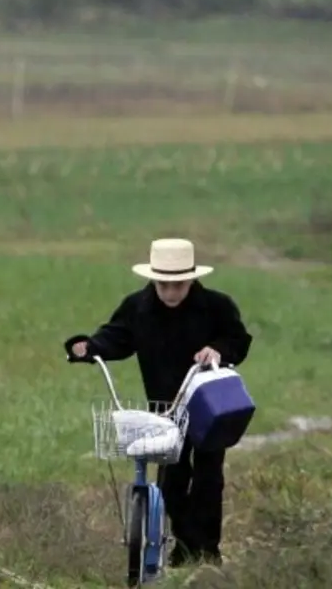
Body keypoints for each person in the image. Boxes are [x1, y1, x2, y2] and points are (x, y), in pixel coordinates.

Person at [63, 238, 253, 567]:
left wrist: (218, 349)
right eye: (162, 284)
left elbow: (238, 340)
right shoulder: (138, 307)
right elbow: (117, 337)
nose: (169, 292)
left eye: (177, 284)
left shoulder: (217, 306)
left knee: (209, 478)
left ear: (191, 278)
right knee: (172, 479)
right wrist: (89, 347)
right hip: (165, 407)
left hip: (210, 405)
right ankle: (187, 546)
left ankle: (207, 551)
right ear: (153, 279)